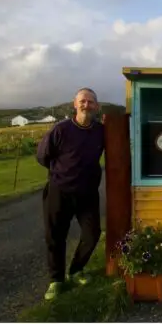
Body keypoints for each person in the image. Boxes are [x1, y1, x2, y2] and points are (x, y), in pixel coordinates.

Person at [35, 87, 105, 301]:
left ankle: (75, 270)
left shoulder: (101, 131)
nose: (86, 105)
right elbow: (42, 156)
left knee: (92, 234)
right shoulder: (61, 129)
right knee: (55, 236)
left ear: (96, 106)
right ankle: (56, 280)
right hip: (60, 191)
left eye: (91, 102)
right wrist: (60, 173)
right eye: (83, 101)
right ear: (75, 104)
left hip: (87, 193)